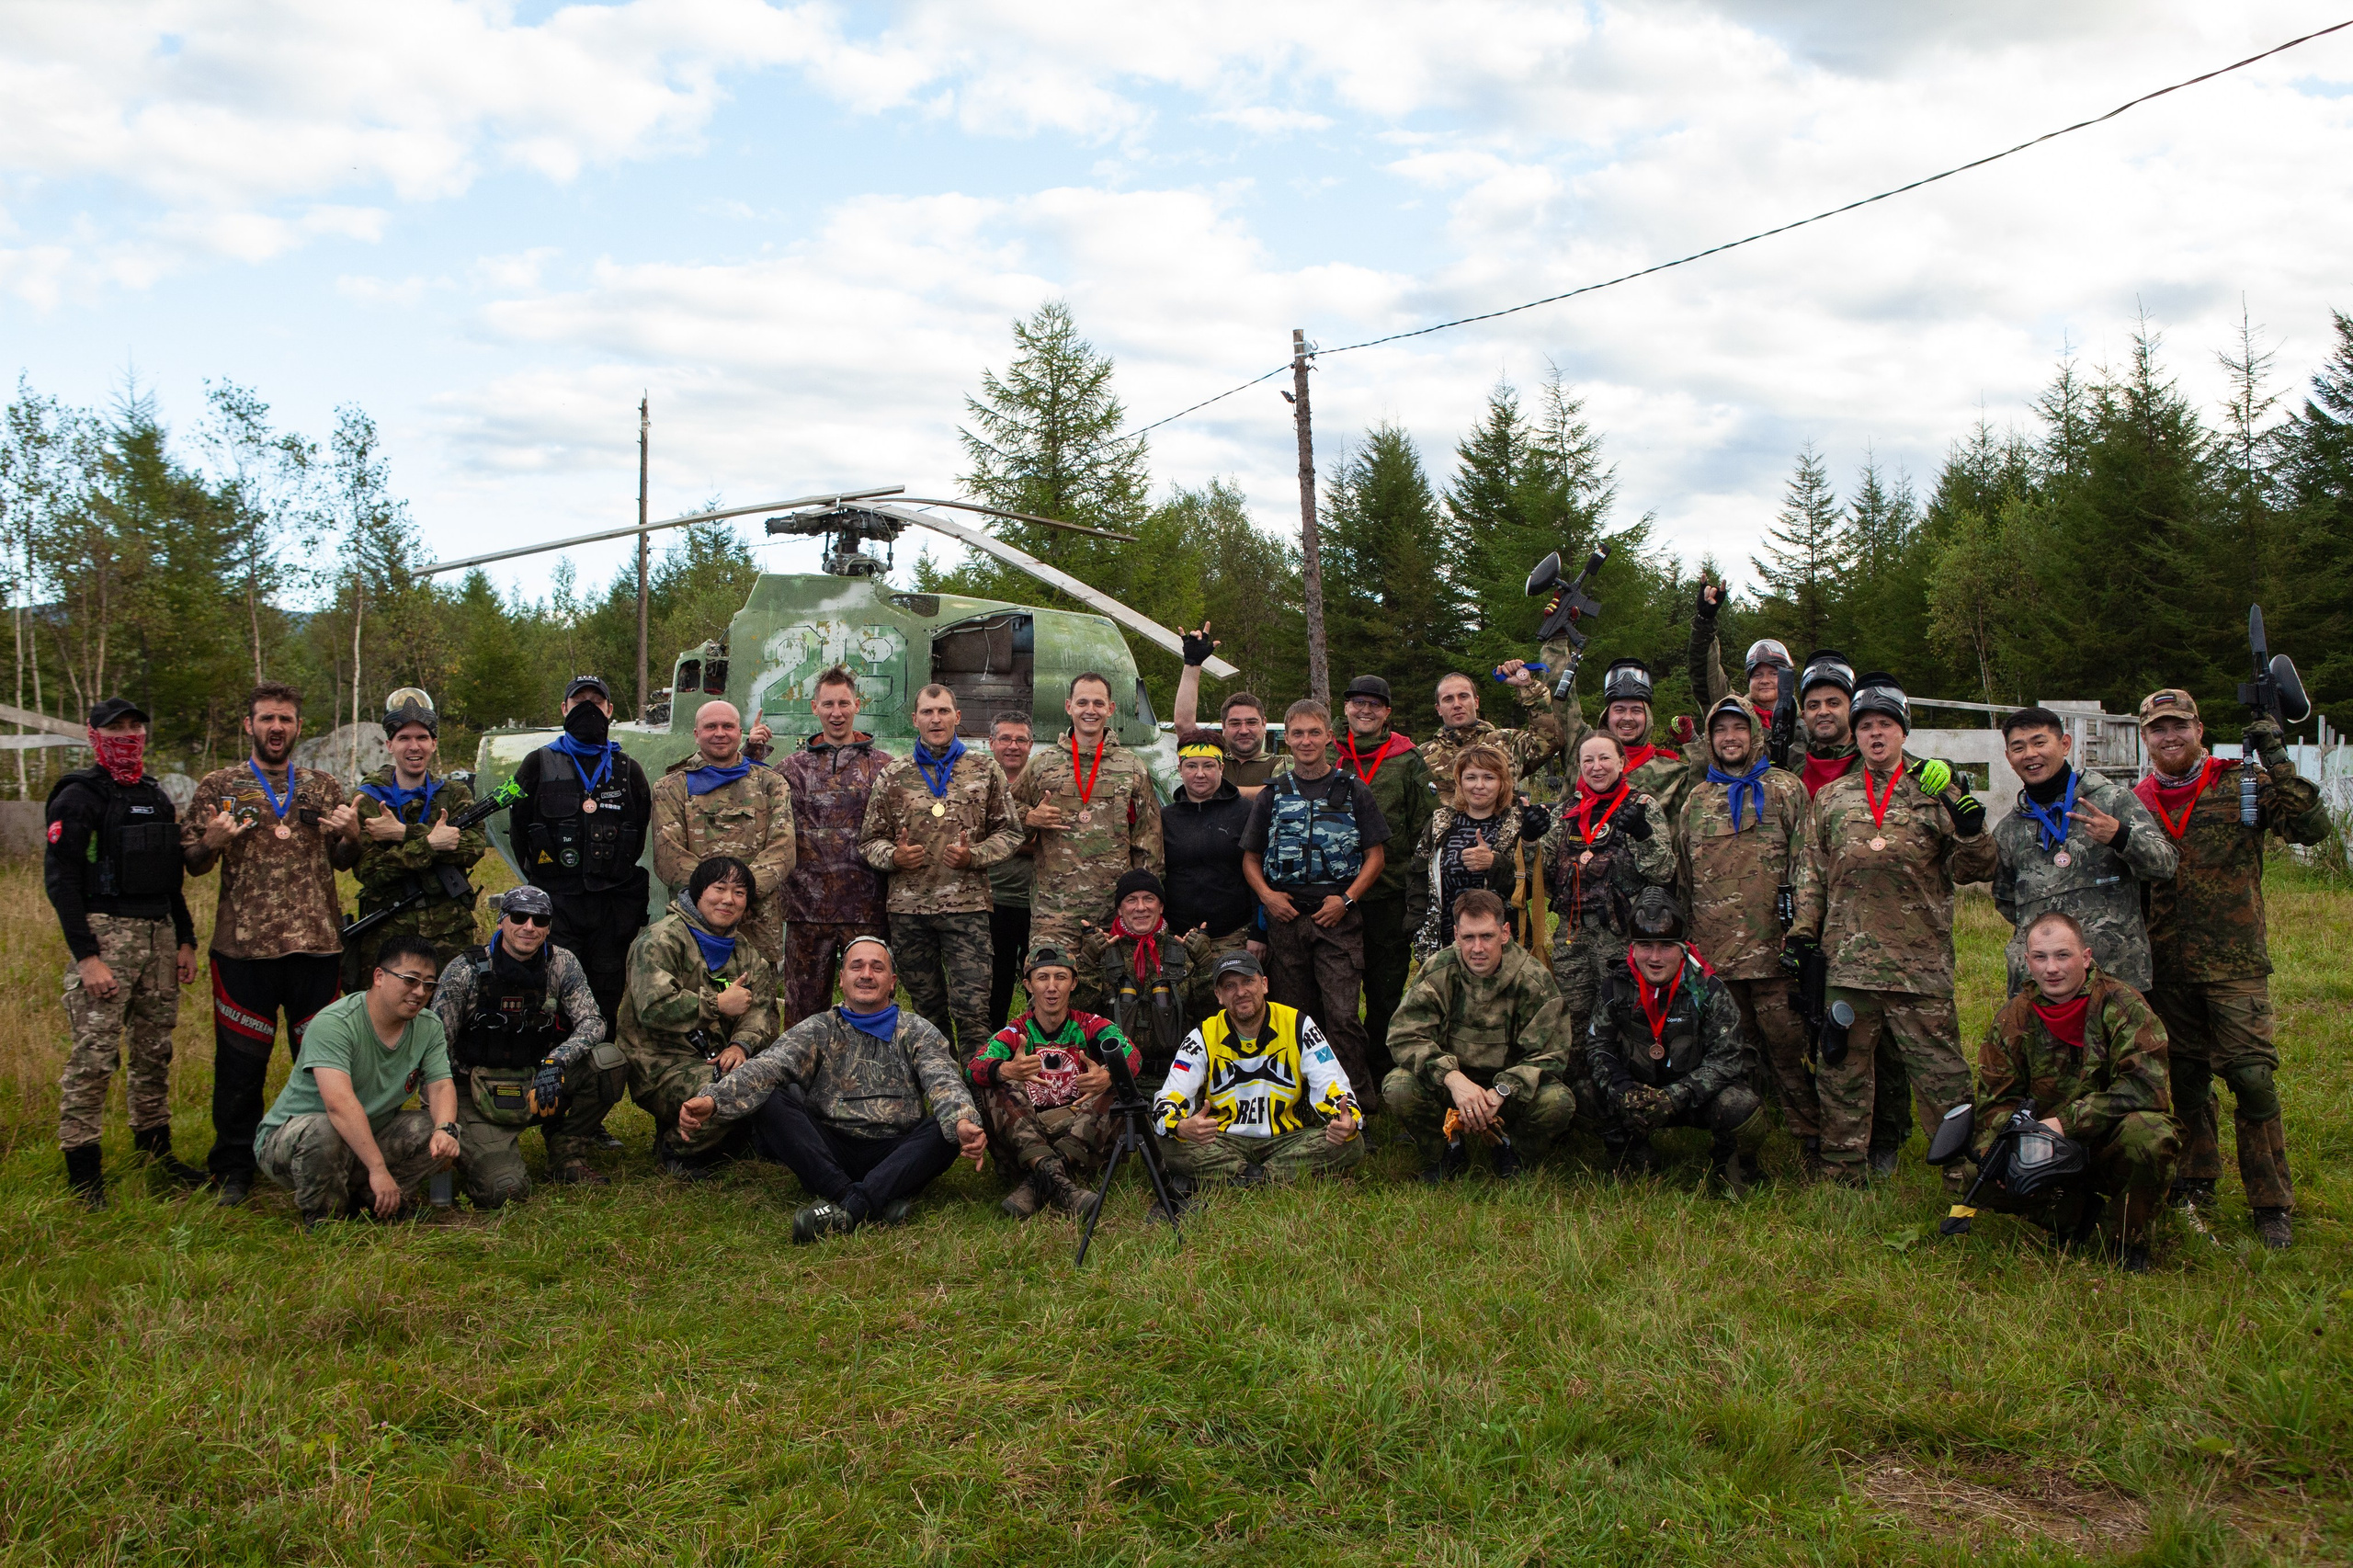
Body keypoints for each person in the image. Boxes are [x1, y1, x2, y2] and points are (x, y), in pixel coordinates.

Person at [2133, 688, 2330, 1249]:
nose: (2169, 737)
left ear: (2199, 728)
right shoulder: (2137, 801)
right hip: (2166, 968)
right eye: (2157, 729)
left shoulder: (2241, 783)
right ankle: (2197, 1182)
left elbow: (2311, 828)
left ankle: (2271, 1203)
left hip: (2235, 964)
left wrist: (2278, 757)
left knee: (2251, 1079)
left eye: (2179, 726)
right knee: (2187, 1082)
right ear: (2146, 739)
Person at [1786, 673, 1995, 1187]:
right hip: (1848, 965)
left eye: (1885, 725)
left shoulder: (1935, 790)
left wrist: (1969, 831)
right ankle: (1842, 1174)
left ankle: (1965, 1175)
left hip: (1919, 964)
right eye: (1866, 727)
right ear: (1854, 735)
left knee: (1942, 1077)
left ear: (1904, 730)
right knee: (1842, 1075)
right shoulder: (1832, 798)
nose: (1875, 735)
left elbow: (1977, 869)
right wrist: (1803, 935)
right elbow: (1811, 871)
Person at [676, 935, 988, 1243]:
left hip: (895, 1151)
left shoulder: (918, 1031)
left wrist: (961, 1122)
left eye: (877, 968)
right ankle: (869, 1201)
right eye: (857, 966)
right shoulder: (818, 1028)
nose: (866, 974)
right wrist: (712, 1099)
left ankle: (846, 1207)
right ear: (842, 978)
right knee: (770, 1101)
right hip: (829, 1150)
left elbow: (944, 1080)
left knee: (945, 1130)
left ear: (892, 981)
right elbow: (767, 1066)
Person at [183, 681, 361, 1205]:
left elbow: (344, 861)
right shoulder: (219, 785)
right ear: (249, 725)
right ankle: (234, 1168)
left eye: (285, 719)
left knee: (320, 1065)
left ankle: (319, 1159)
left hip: (317, 949)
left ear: (299, 727)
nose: (276, 728)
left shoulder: (323, 786)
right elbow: (191, 862)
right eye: (266, 719)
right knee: (240, 1066)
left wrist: (351, 835)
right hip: (243, 952)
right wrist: (210, 843)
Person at [47, 696, 201, 1206]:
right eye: (117, 728)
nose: (128, 736)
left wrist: (185, 939)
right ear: (95, 735)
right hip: (105, 935)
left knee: (155, 1051)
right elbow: (62, 880)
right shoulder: (78, 796)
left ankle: (155, 1154)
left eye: (136, 726)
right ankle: (84, 1172)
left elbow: (170, 877)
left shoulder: (156, 796)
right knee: (94, 1056)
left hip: (158, 934)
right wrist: (87, 957)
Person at [1970, 910, 2180, 1272]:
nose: (2051, 968)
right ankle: (2079, 1218)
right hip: (2044, 1147)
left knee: (2150, 1136)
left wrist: (2065, 1124)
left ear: (2086, 956)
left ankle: (2125, 1242)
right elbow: (1995, 1100)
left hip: (2108, 1142)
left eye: (2063, 955)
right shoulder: (2013, 1018)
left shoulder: (2123, 1005)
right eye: (2041, 957)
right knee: (1976, 1171)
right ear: (2027, 962)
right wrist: (2013, 1142)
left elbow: (2145, 1088)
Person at [1675, 695, 1820, 1175]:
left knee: (1791, 1058)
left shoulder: (1786, 790)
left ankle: (1813, 1146)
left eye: (1739, 729)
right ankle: (1742, 1148)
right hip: (1717, 960)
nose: (1730, 738)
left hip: (1777, 958)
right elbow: (1684, 879)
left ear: (1754, 735)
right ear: (1711, 740)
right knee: (1732, 1060)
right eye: (1721, 731)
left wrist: (1803, 933)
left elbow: (1808, 867)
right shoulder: (1697, 800)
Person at [1792, 648, 1912, 1172]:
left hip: (1892, 924)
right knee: (1831, 1031)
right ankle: (1834, 1135)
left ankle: (1889, 1133)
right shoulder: (1789, 763)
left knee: (1887, 1042)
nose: (1823, 711)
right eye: (1813, 703)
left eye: (1833, 702)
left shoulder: (1885, 762)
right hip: (1821, 915)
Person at [253, 935, 460, 1228]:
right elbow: (338, 1105)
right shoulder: (335, 1023)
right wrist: (377, 1168)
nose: (420, 992)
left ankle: (374, 1201)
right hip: (292, 1140)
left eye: (429, 985)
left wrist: (445, 1128)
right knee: (323, 1129)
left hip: (362, 1137)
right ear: (379, 976)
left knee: (436, 1130)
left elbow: (441, 1084)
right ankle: (323, 1212)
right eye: (410, 980)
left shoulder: (428, 1026)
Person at [858, 684, 1022, 1055]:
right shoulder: (894, 774)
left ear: (957, 717)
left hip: (967, 910)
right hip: (909, 912)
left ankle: (979, 1094)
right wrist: (894, 858)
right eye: (928, 712)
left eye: (944, 711)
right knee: (927, 1011)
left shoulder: (984, 768)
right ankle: (940, 1085)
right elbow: (870, 841)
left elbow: (1011, 832)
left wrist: (974, 857)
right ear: (914, 718)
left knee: (972, 1012)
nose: (936, 719)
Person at [1241, 699, 1389, 1107]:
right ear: (1286, 739)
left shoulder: (1352, 789)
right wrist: (1268, 898)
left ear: (1329, 737)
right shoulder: (1273, 794)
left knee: (1342, 1015)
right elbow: (1250, 859)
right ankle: (1298, 1100)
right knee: (1292, 1016)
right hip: (1287, 920)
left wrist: (1346, 899)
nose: (1306, 741)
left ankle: (1356, 1103)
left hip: (1337, 919)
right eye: (1297, 734)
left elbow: (1376, 856)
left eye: (1314, 732)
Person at [431, 885, 617, 1203]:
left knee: (609, 1061)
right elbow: (435, 1047)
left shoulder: (561, 964)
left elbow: (593, 1022)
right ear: (502, 920)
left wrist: (556, 1061)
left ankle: (566, 1154)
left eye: (540, 920)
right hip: (475, 1088)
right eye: (519, 917)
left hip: (538, 1080)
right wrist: (442, 1121)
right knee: (504, 1189)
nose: (529, 927)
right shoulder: (465, 970)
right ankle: (482, 1148)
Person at [1384, 890, 1577, 1180]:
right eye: (1469, 937)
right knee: (1398, 1086)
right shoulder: (1439, 971)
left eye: (1486, 936)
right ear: (1456, 935)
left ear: (1505, 933)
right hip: (1451, 1089)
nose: (1477, 948)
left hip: (1508, 1095)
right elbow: (1404, 1035)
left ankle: (1513, 1151)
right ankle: (1446, 1150)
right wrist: (1453, 1079)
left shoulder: (1533, 980)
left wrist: (1502, 1091)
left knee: (1558, 1101)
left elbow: (1552, 1054)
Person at [508, 675, 654, 1043]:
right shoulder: (537, 764)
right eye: (579, 702)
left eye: (596, 701)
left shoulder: (627, 770)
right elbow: (520, 830)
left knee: (606, 990)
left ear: (609, 710)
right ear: (564, 709)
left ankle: (597, 1071)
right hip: (556, 904)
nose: (588, 708)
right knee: (552, 990)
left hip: (610, 906)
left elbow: (637, 828)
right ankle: (551, 1062)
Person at [1991, 706, 2177, 994]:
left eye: (2039, 742)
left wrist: (2121, 837)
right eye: (2018, 747)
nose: (2029, 754)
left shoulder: (2112, 801)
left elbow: (2165, 865)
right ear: (2009, 757)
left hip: (2114, 977)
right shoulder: (2009, 828)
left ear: (2064, 744)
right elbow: (2006, 900)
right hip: (2042, 985)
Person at [1587, 889, 1766, 1188]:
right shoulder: (1615, 987)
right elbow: (1599, 1047)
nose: (1655, 957)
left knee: (1741, 1106)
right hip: (1638, 1097)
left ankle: (1731, 1165)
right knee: (1584, 1094)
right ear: (1632, 947)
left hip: (1694, 1098)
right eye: (1645, 946)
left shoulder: (1708, 990)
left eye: (1666, 946)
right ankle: (1632, 1155)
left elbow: (1727, 1059)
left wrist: (1676, 1096)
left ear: (1683, 948)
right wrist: (1624, 1091)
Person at [1152, 949, 1364, 1199]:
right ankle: (1272, 1178)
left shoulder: (1298, 1025)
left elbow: (1331, 1081)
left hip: (1286, 1140)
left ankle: (1238, 1179)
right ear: (1218, 996)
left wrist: (1345, 1119)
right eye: (1229, 986)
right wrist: (1180, 1125)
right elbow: (1172, 1092)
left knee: (1351, 1144)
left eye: (1248, 981)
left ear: (1264, 984)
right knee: (1163, 1143)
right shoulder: (1202, 1036)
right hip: (1222, 1140)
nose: (1240, 992)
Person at [616, 855, 779, 1178]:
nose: (728, 900)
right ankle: (677, 1148)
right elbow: (653, 1008)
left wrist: (741, 1047)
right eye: (719, 889)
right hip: (661, 1063)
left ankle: (729, 1135)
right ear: (697, 893)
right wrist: (717, 1004)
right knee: (730, 1089)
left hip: (720, 1057)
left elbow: (761, 1010)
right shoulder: (659, 941)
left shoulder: (745, 952)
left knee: (778, 1080)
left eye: (739, 893)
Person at [965, 945, 1136, 1219]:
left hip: (1078, 1132)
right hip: (1027, 1133)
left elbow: (1132, 1054)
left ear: (1074, 983)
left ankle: (1039, 1179)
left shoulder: (1091, 1025)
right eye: (1042, 977)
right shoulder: (1015, 1031)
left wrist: (1109, 1074)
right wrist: (1006, 1069)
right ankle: (1064, 1186)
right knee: (996, 1081)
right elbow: (973, 1068)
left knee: (1117, 1083)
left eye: (1061, 977)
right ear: (1028, 985)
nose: (1052, 987)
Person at [1535, 732, 1674, 1055]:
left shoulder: (1641, 806)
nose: (1596, 767)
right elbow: (1539, 874)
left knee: (1625, 1016)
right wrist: (1530, 838)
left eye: (1605, 758)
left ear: (1622, 762)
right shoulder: (1567, 810)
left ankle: (1625, 1089)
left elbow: (1663, 871)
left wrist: (1643, 834)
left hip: (1621, 937)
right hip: (1571, 936)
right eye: (1588, 760)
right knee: (1571, 1021)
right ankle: (1580, 1095)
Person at [345, 687, 486, 991]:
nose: (414, 747)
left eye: (422, 738)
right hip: (389, 935)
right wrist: (431, 844)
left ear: (434, 743)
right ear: (389, 744)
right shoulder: (369, 799)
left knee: (450, 1019)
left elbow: (473, 847)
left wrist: (404, 834)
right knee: (387, 1023)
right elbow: (369, 870)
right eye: (404, 738)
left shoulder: (455, 794)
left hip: (450, 934)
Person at [1012, 671, 1163, 952]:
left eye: (1098, 703)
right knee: (1051, 989)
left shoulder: (1131, 767)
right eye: (1082, 703)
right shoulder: (1042, 764)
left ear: (1111, 709)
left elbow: (1148, 843)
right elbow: (1002, 818)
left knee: (1116, 993)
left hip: (1116, 915)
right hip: (1054, 914)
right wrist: (1030, 818)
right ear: (1069, 706)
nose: (1090, 711)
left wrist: (1142, 906)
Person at [1334, 674, 1436, 1086]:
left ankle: (1383, 1072)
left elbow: (1426, 829)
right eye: (1357, 702)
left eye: (1375, 704)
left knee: (1384, 992)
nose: (1365, 710)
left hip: (1389, 894)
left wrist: (1416, 894)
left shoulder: (1408, 760)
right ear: (1346, 709)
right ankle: (1339, 1072)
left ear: (1387, 713)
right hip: (1333, 897)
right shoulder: (1327, 756)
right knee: (1336, 992)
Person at [777, 665, 892, 1025]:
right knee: (802, 1011)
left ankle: (869, 1069)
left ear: (858, 704)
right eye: (828, 704)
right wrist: (752, 751)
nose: (836, 712)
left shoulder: (884, 767)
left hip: (866, 910)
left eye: (844, 703)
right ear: (814, 708)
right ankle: (798, 1078)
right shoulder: (790, 769)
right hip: (806, 912)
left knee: (870, 1003)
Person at [651, 699, 797, 969]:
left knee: (758, 1007)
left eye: (728, 726)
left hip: (757, 925)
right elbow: (668, 856)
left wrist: (740, 893)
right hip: (695, 925)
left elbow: (783, 849)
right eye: (711, 726)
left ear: (739, 733)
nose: (720, 733)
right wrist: (717, 900)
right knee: (697, 1004)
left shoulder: (770, 783)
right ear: (696, 735)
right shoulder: (671, 787)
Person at [1078, 869, 1214, 1082]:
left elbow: (1212, 1014)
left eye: (1148, 899)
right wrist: (1087, 962)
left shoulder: (1185, 951)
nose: (1140, 907)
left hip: (1178, 1076)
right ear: (1120, 909)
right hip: (1113, 1077)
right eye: (1131, 900)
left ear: (1160, 907)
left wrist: (1206, 964)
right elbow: (1079, 1015)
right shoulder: (1102, 953)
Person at [1159, 729, 1259, 1017]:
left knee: (1235, 1012)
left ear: (1221, 768)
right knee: (1177, 1015)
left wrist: (1259, 933)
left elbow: (1260, 876)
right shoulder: (1165, 818)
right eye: (1191, 766)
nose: (1199, 774)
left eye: (1208, 765)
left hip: (1233, 935)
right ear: (1180, 769)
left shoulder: (1246, 812)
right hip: (1177, 938)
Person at [1411, 743, 1548, 954]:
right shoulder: (1440, 822)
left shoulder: (1518, 824)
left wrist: (1494, 864)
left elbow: (1530, 886)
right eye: (1471, 777)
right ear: (1460, 782)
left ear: (1502, 783)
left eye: (1489, 777)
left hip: (1502, 945)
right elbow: (1418, 876)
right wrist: (1418, 924)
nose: (1479, 785)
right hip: (1445, 943)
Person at [1574, 657, 1697, 821]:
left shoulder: (1671, 773)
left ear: (1648, 717)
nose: (1628, 717)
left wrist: (1694, 742)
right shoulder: (1583, 754)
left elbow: (1712, 782)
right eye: (1619, 710)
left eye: (1636, 710)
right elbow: (1563, 712)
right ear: (1606, 716)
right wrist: (1557, 640)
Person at [1422, 662, 1569, 792]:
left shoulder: (1508, 742)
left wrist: (1527, 686)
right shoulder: (1422, 757)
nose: (1457, 704)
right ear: (1439, 709)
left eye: (1464, 696)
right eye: (1448, 699)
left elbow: (1549, 741)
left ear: (1476, 702)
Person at [1172, 622, 1277, 793]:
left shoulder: (1282, 763)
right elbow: (1183, 724)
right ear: (1223, 726)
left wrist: (1210, 789)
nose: (1244, 730)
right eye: (1235, 723)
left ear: (1264, 724)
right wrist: (1192, 665)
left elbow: (1278, 795)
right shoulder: (1210, 759)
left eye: (1251, 722)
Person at [983, 710, 1038, 1028]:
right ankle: (994, 1055)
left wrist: (999, 840)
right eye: (1005, 738)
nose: (1013, 746)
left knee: (1041, 982)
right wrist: (1026, 840)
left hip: (1036, 902)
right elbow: (972, 837)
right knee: (995, 986)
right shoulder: (980, 781)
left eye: (1021, 739)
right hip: (993, 901)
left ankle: (1040, 1051)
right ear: (991, 743)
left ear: (1031, 745)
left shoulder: (1043, 780)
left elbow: (1053, 840)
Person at [1689, 582, 1795, 714]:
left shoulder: (1809, 722)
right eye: (1757, 675)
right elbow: (1706, 679)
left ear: (1787, 679)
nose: (1765, 681)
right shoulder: (1733, 711)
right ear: (1749, 680)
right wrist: (1704, 622)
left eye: (1774, 674)